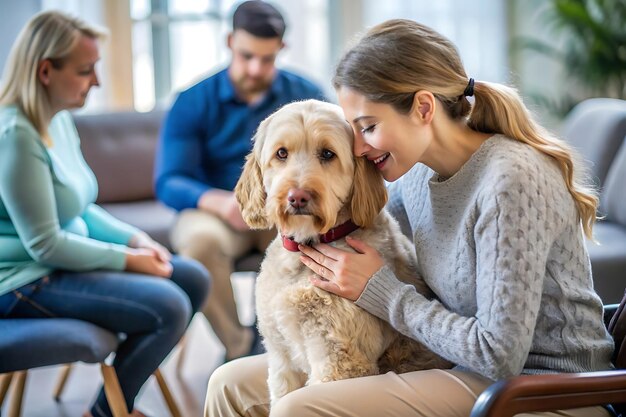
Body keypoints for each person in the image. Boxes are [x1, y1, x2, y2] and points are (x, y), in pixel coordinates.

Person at [204, 19, 615, 417]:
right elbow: (362, 218)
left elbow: (498, 355)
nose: (360, 150)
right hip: (463, 368)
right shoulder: (417, 172)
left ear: (422, 107)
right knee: (228, 384)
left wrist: (384, 291)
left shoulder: (511, 180)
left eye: (367, 128)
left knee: (299, 408)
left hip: (543, 390)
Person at [0, 11, 210, 417]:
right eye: (85, 70)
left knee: (193, 279)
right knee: (168, 306)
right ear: (46, 71)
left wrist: (136, 240)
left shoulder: (57, 120)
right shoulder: (15, 137)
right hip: (23, 280)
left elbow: (79, 206)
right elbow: (44, 244)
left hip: (61, 263)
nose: (95, 81)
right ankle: (109, 411)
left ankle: (110, 404)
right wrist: (128, 261)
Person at [155, 0, 324, 361]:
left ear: (282, 49)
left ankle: (284, 345)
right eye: (247, 55)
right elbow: (169, 180)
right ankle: (239, 350)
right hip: (216, 212)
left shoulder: (307, 96)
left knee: (315, 236)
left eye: (267, 59)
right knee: (199, 242)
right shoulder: (193, 101)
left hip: (286, 210)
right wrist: (219, 203)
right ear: (229, 41)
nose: (255, 68)